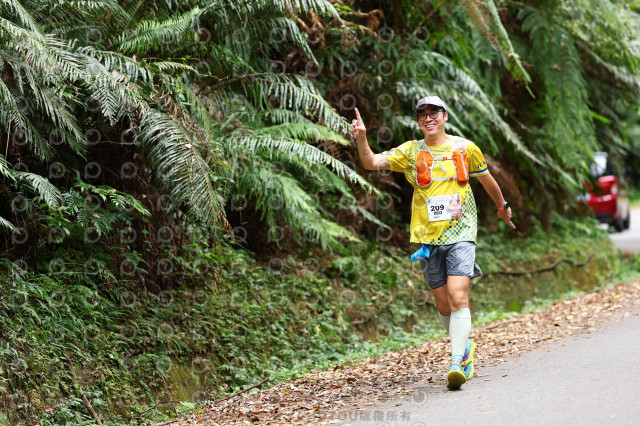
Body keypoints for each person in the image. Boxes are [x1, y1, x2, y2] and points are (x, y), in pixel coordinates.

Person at [350, 96, 514, 390]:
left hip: (462, 231)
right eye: (422, 114)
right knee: (444, 305)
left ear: (445, 116)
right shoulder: (411, 152)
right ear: (418, 121)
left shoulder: (465, 148)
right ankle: (465, 347)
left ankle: (456, 363)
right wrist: (362, 137)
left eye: (434, 112)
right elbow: (370, 162)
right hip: (428, 238)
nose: (428, 118)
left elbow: (487, 180)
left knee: (458, 295)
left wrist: (502, 207)